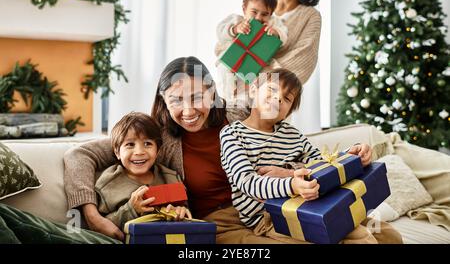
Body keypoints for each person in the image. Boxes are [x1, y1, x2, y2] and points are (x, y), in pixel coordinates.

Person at [64, 56, 401, 244]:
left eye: (198, 96)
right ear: (164, 102)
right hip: (227, 223)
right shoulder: (158, 139)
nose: (189, 110)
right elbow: (80, 155)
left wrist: (343, 160)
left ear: (212, 93)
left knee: (388, 237)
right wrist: (90, 215)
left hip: (279, 203)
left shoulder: (243, 116)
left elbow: (295, 145)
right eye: (176, 100)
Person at [219, 69, 402, 243]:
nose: (277, 98)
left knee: (388, 234)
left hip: (315, 203)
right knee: (360, 236)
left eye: (287, 98)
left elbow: (321, 164)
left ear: (289, 112)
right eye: (272, 89)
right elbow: (247, 182)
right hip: (270, 215)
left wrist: (350, 155)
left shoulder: (292, 134)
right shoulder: (232, 135)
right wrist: (292, 185)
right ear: (253, 90)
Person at [95, 112, 191, 232]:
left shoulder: (171, 177)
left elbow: (186, 211)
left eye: (147, 144)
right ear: (117, 152)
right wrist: (131, 209)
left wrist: (180, 211)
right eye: (130, 144)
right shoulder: (108, 183)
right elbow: (101, 225)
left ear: (158, 150)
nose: (139, 152)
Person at [214, 0, 288, 102]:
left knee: (270, 76)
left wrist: (276, 33)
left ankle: (254, 104)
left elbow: (284, 35)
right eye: (254, 12)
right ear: (244, 9)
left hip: (258, 63)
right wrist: (235, 29)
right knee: (223, 69)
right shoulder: (236, 19)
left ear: (271, 14)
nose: (258, 17)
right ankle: (226, 101)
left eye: (265, 14)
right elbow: (220, 31)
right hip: (232, 59)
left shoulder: (273, 23)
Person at [266, 0, 322, 85]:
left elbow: (305, 58)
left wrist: (262, 75)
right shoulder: (262, 5)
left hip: (275, 92)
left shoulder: (311, 16)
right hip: (241, 86)